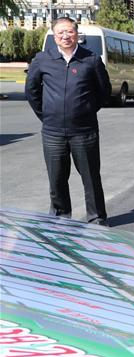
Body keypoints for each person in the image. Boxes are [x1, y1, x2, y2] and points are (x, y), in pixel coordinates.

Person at [25, 16, 112, 225]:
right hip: (53, 132)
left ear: (77, 34)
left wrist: (86, 110)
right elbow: (31, 91)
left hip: (84, 132)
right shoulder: (42, 60)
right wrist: (47, 115)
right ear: (54, 36)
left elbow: (104, 92)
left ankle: (97, 219)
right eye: (60, 32)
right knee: (56, 179)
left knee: (91, 177)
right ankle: (60, 218)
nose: (65, 36)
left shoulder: (91, 60)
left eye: (69, 31)